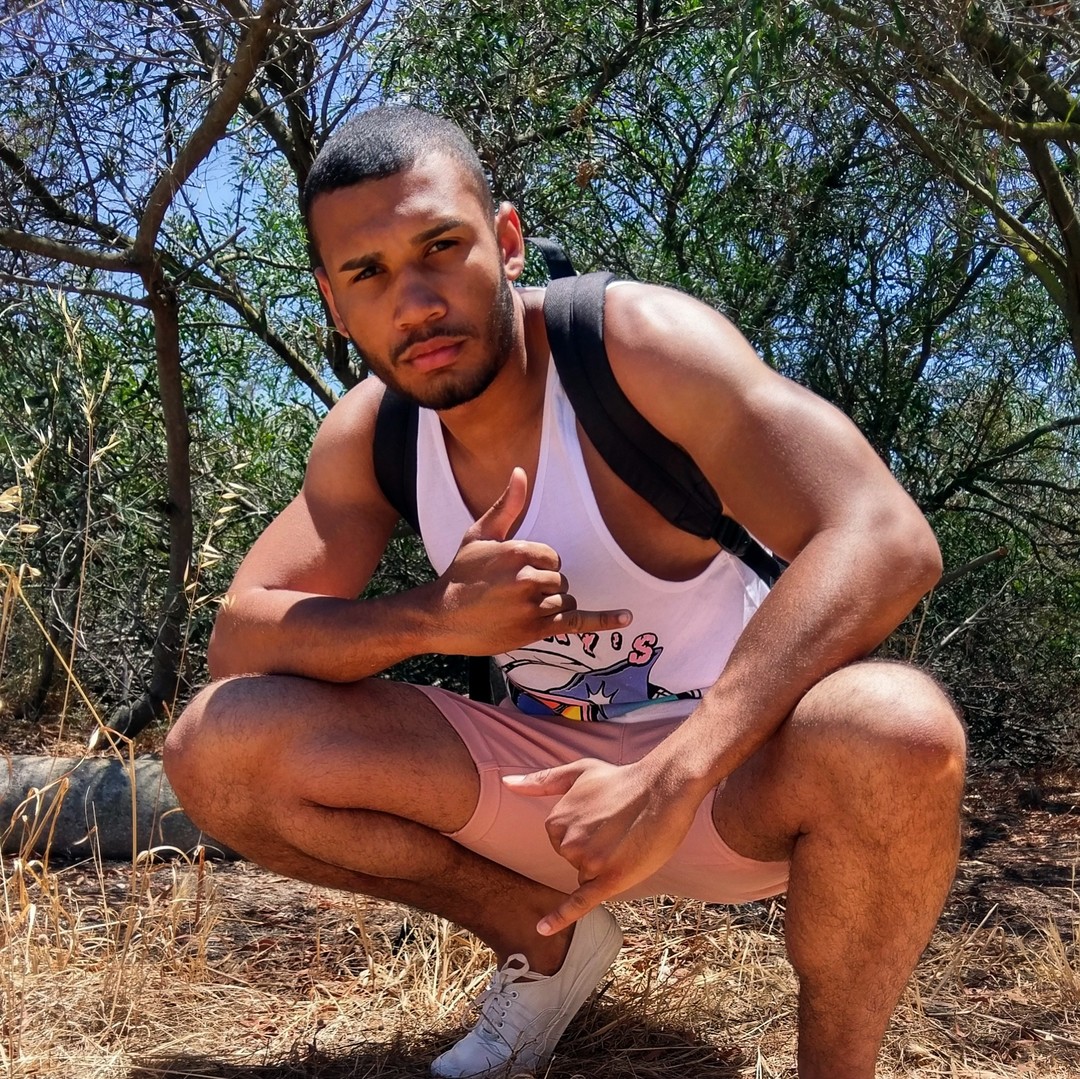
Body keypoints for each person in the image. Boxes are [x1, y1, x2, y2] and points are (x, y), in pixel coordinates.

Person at [163, 106, 966, 1079]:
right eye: (367, 273)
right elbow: (240, 640)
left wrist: (674, 775)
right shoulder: (373, 435)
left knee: (899, 726)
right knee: (219, 745)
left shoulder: (634, 349)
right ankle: (543, 940)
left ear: (506, 241)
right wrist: (431, 617)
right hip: (546, 789)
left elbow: (886, 535)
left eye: (440, 247)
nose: (413, 303)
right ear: (335, 305)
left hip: (732, 775)